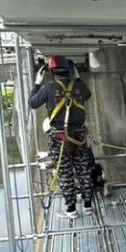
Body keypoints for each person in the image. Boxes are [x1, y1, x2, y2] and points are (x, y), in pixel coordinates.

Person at [29, 56, 94, 218]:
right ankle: (87, 206)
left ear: (51, 72)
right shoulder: (78, 87)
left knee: (65, 173)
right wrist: (77, 77)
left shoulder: (48, 88)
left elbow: (32, 103)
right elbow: (88, 95)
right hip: (79, 138)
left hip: (60, 139)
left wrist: (37, 83)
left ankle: (71, 209)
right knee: (83, 170)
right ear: (69, 70)